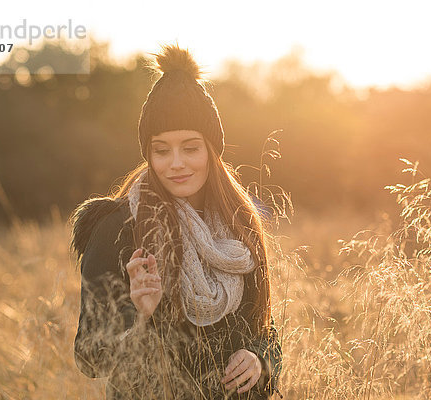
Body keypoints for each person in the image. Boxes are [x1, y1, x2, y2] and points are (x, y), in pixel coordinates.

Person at [70, 44, 283, 400]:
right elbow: (89, 359)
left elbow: (264, 326)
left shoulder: (239, 222)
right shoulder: (117, 227)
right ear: (148, 153)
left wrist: (261, 360)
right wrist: (138, 314)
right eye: (161, 150)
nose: (176, 163)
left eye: (190, 147)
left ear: (212, 150)